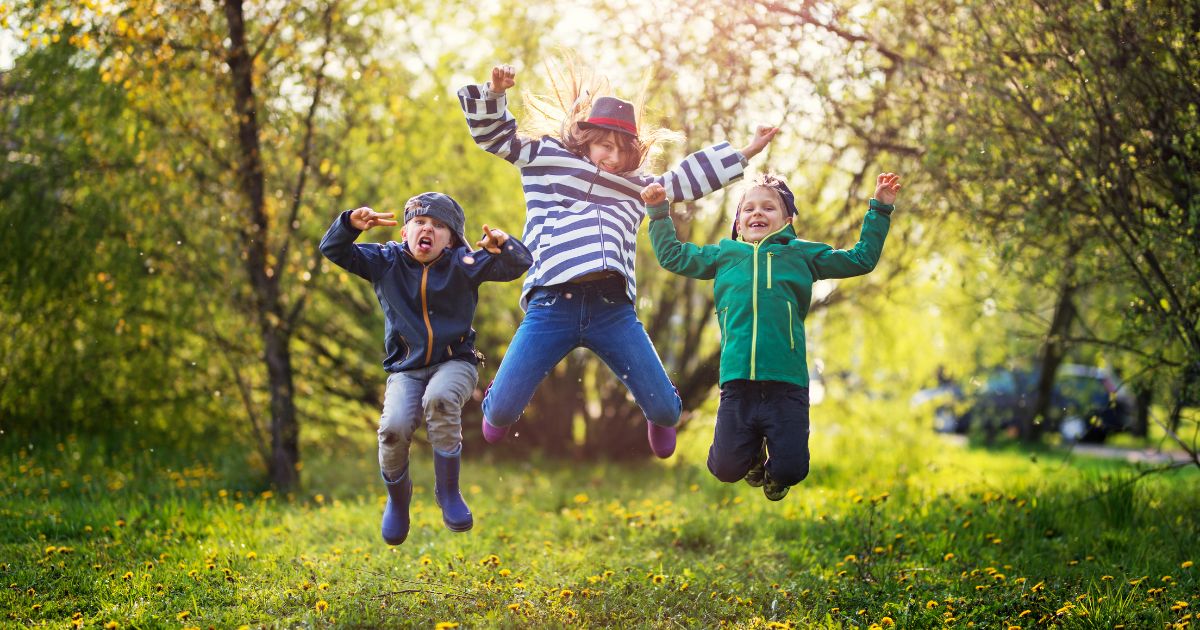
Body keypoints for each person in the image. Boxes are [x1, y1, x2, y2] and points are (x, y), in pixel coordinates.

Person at [457, 62, 778, 457]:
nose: (612, 157)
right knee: (503, 413)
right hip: (551, 304)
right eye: (604, 146)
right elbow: (497, 138)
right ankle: (497, 403)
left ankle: (657, 411)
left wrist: (746, 151)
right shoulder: (546, 160)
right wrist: (493, 93)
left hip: (613, 310)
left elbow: (687, 180)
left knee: (665, 409)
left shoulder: (638, 186)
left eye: (622, 149)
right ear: (587, 139)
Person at [643, 172, 901, 499]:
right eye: (748, 209)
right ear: (737, 224)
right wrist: (658, 212)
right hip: (738, 383)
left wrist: (879, 208)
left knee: (793, 469)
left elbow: (860, 259)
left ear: (787, 220)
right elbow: (674, 256)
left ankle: (777, 473)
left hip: (787, 383)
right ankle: (751, 455)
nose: (757, 213)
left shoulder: (801, 254)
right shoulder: (723, 255)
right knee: (724, 468)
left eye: (768, 208)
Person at [319, 192, 532, 544]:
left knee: (440, 399)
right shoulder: (386, 261)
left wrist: (504, 244)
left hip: (455, 362)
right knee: (393, 428)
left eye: (438, 226)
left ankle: (448, 492)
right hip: (405, 369)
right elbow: (333, 250)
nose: (427, 229)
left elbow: (518, 264)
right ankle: (398, 501)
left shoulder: (463, 262)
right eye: (419, 222)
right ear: (405, 232)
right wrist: (349, 225)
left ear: (451, 240)